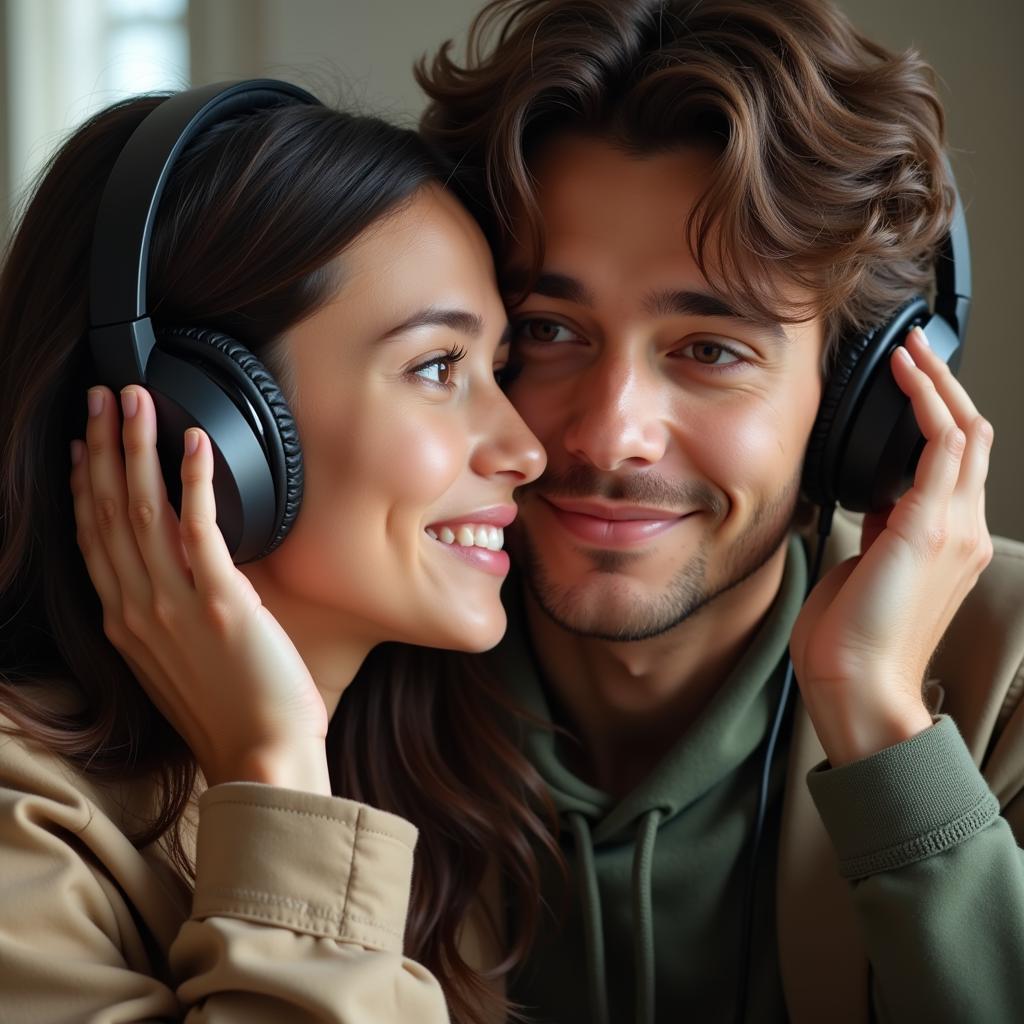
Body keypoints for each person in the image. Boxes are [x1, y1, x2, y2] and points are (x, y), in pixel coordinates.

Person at [411, 0, 1024, 1021]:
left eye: (709, 349)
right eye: (549, 329)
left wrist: (879, 726)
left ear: (859, 398)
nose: (611, 436)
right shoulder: (331, 669)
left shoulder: (1006, 668)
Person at [0, 82, 559, 1022]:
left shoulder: (424, 786)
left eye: (498, 371)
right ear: (210, 428)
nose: (525, 449)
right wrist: (272, 774)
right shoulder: (25, 836)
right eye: (436, 368)